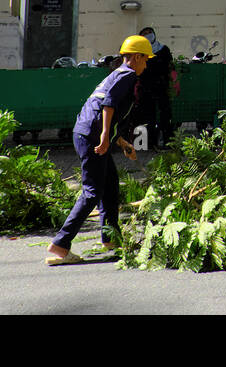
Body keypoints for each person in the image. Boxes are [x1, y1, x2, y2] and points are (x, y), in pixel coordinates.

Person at [46, 35, 151, 266]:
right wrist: (105, 136)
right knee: (92, 192)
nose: (146, 64)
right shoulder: (128, 75)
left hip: (86, 133)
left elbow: (107, 111)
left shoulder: (117, 74)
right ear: (136, 57)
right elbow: (108, 104)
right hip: (92, 136)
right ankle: (61, 244)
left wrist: (121, 142)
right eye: (146, 59)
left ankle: (111, 239)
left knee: (110, 186)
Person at [134, 26, 178, 149]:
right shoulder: (138, 52)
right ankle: (146, 145)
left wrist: (175, 81)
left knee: (165, 115)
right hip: (145, 88)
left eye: (150, 33)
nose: (148, 35)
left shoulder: (163, 50)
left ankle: (169, 143)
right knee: (146, 117)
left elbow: (170, 67)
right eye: (145, 33)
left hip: (161, 86)